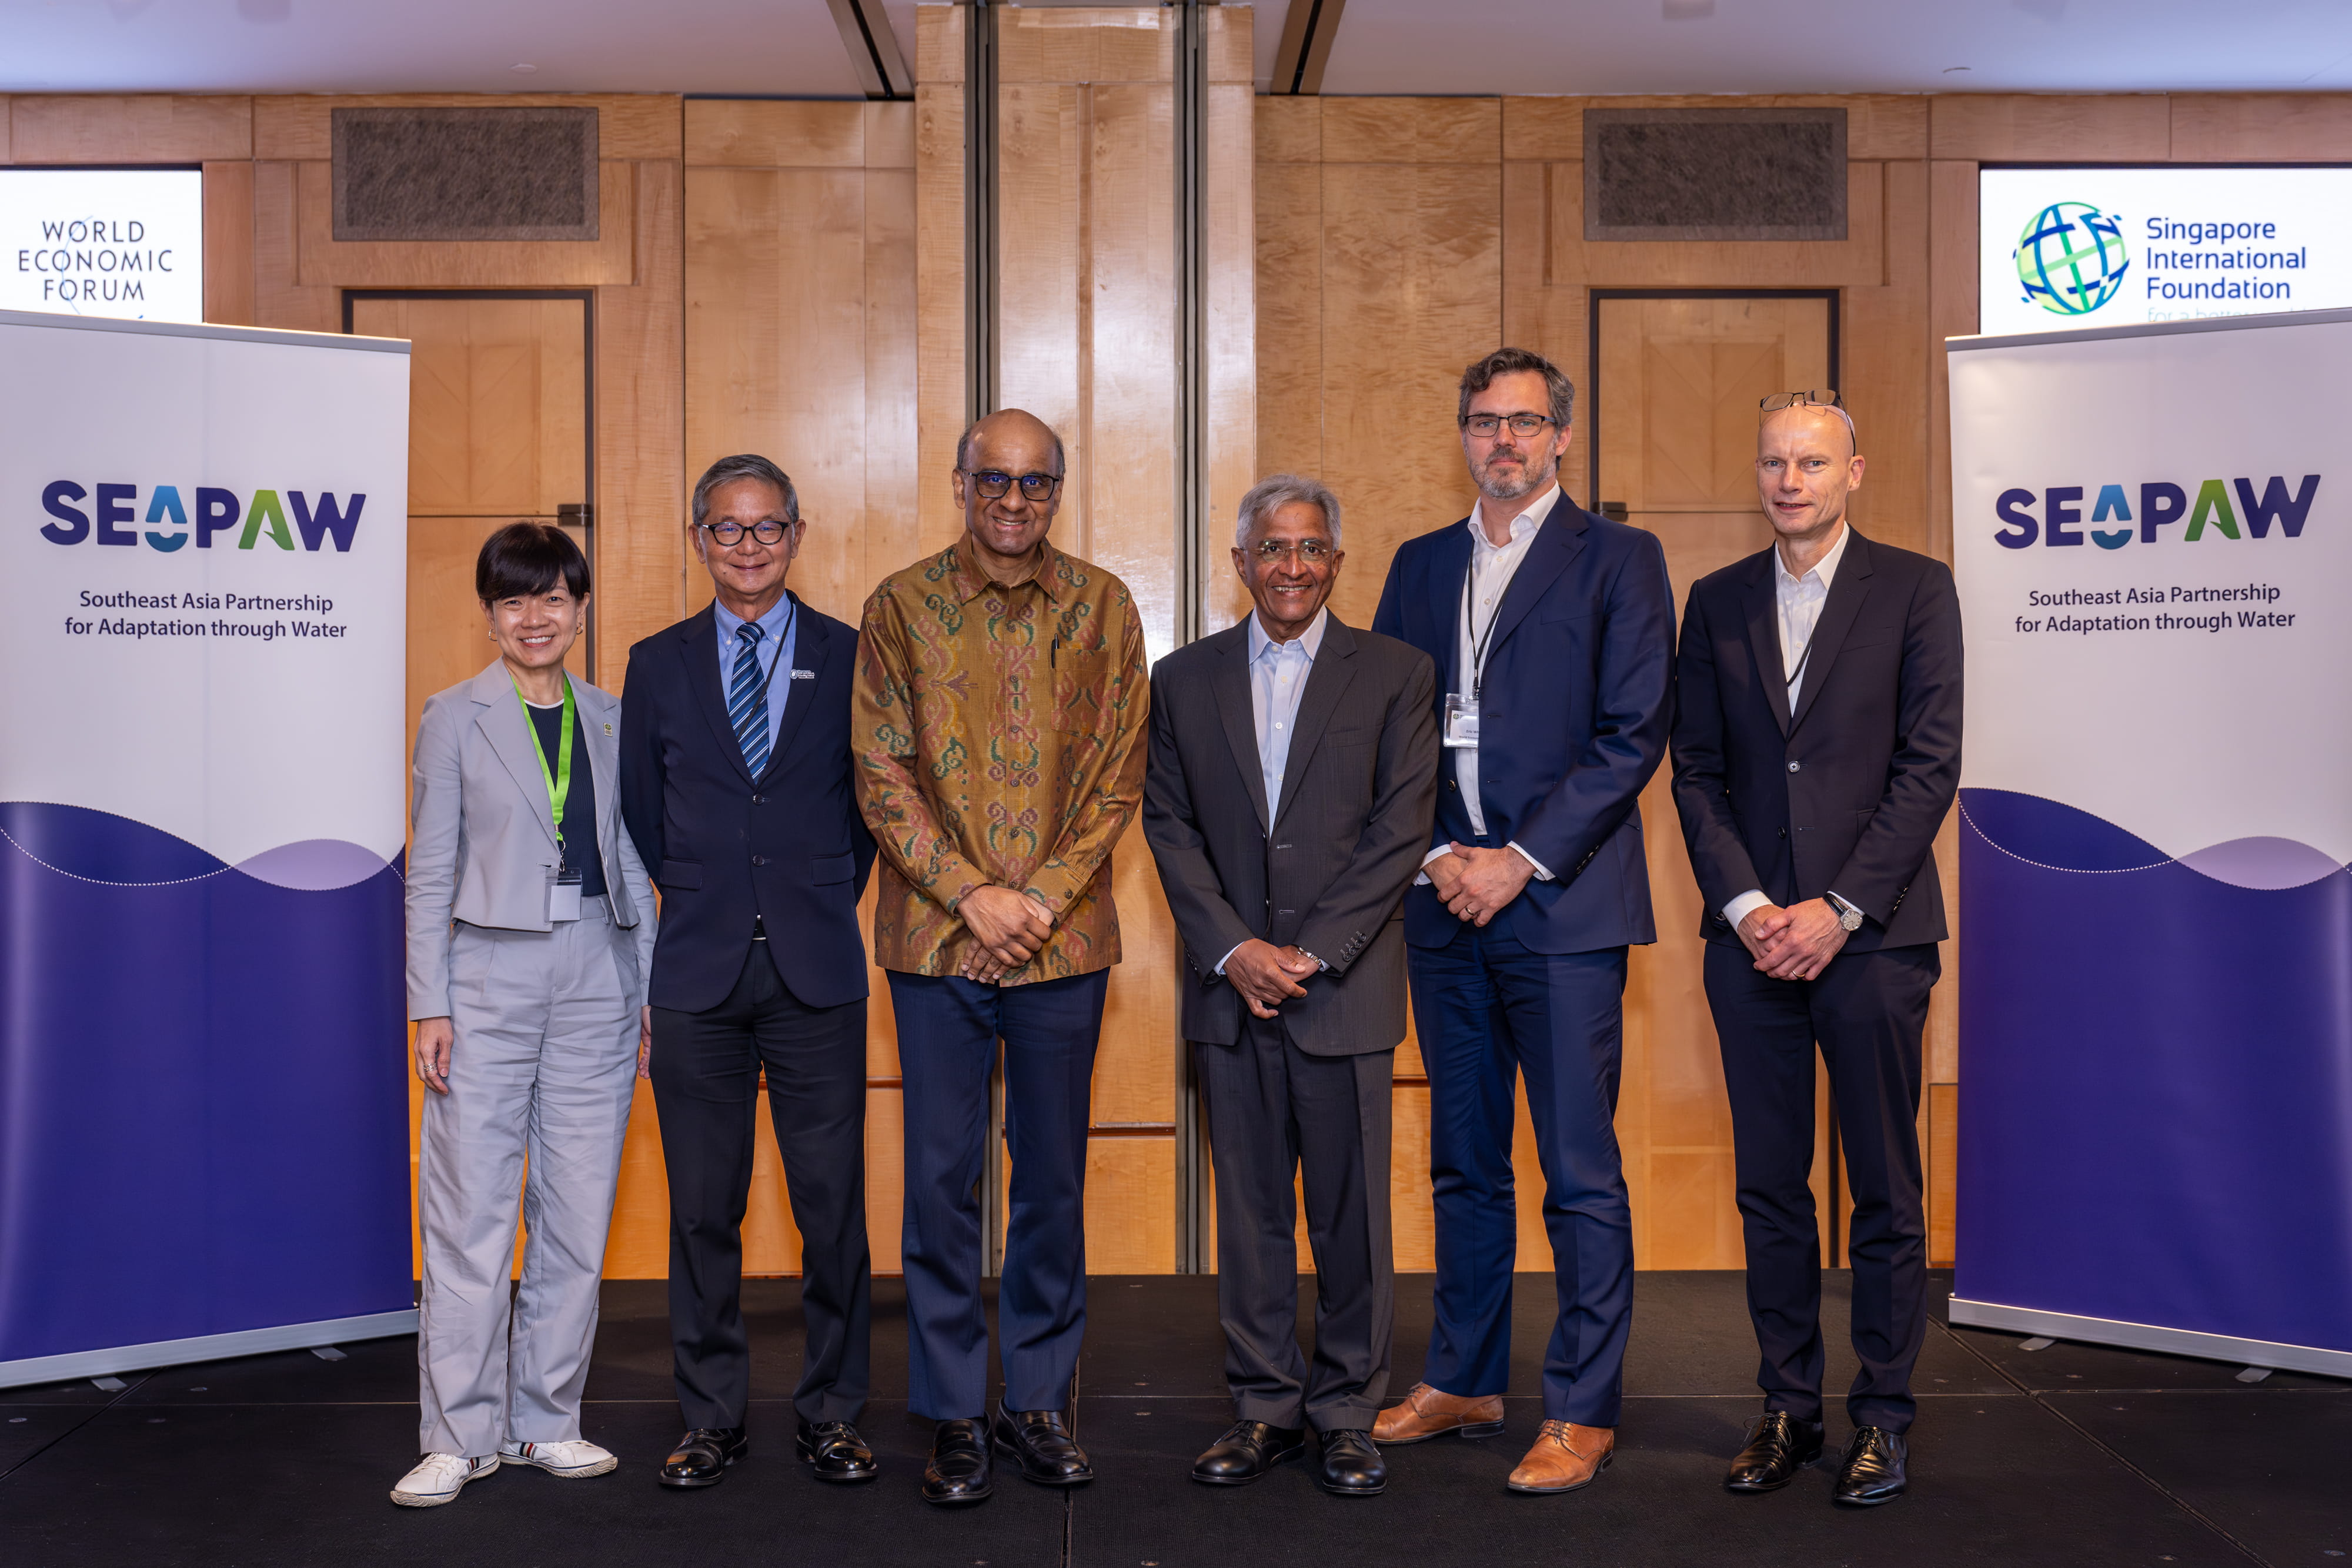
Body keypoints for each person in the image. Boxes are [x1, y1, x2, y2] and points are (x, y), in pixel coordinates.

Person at [1369, 347, 1675, 1495]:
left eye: (1524, 423)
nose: (1502, 440)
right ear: (1461, 433)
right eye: (1483, 421)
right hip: (1441, 907)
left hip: (1559, 907)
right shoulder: (1417, 565)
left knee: (1577, 1170)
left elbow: (1630, 732)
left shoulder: (1620, 560)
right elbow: (1390, 732)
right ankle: (1462, 1374)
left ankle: (1581, 1407)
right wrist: (1446, 855)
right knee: (1460, 1161)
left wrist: (1519, 859)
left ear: (1559, 438)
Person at [1669, 392, 1961, 1508]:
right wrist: (1748, 906)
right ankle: (1788, 1407)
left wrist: (1836, 908)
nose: (1790, 480)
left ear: (1855, 471)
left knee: (1883, 1187)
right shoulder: (1719, 601)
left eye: (1812, 461)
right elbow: (1695, 771)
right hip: (1751, 945)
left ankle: (1884, 1417)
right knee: (1771, 1188)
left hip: (1875, 941)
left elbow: (1928, 767)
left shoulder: (1918, 591)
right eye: (1774, 462)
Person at [853, 409, 1149, 1507]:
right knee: (939, 1188)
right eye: (995, 483)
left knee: (1053, 1187)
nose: (1014, 504)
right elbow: (880, 769)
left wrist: (1032, 903)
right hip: (935, 941)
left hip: (1062, 944)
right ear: (961, 484)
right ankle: (951, 1414)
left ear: (1057, 492)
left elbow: (1121, 772)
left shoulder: (1105, 606)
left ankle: (1033, 1401)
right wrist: (974, 897)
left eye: (1035, 485)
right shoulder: (900, 606)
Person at [1142, 475, 1438, 1498]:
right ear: (1240, 563)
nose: (1294, 567)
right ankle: (1265, 1406)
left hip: (1341, 990)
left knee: (1352, 1217)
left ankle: (1348, 1410)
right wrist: (1235, 948)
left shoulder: (1397, 674)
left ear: (1337, 564)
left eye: (1313, 549)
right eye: (1274, 549)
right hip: (1233, 990)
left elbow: (1403, 827)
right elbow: (1169, 828)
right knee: (1254, 1215)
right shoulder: (1182, 680)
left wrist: (1311, 954)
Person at [619, 454, 879, 1491]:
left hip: (817, 971)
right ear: (700, 540)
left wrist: (806, 897)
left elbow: (870, 811)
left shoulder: (853, 656)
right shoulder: (658, 662)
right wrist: (721, 894)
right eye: (728, 529)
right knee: (700, 1211)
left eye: (768, 528)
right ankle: (711, 1416)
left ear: (797, 535)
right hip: (698, 978)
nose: (749, 546)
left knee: (833, 1211)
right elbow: (646, 809)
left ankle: (832, 1413)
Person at [397, 523, 657, 1508]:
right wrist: (431, 1001)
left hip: (598, 970)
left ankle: (549, 1420)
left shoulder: (612, 716)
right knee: (471, 1213)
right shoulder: (453, 716)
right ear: (490, 614)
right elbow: (429, 872)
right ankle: (458, 1433)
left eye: (553, 599)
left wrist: (643, 988)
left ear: (580, 608)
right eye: (514, 602)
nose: (535, 618)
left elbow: (631, 856)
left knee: (577, 1209)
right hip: (487, 978)